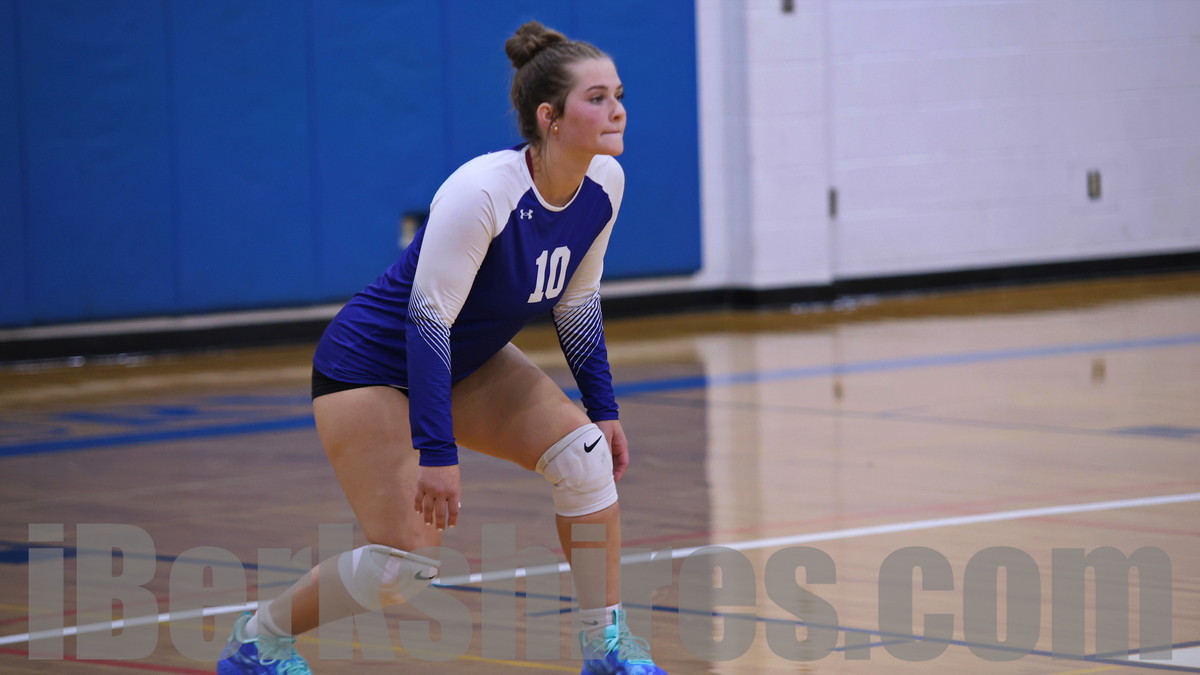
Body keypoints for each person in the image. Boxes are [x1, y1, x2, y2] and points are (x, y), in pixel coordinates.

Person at [216, 20, 668, 675]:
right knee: (403, 567)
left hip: (465, 360)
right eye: (596, 98)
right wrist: (437, 450)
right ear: (549, 117)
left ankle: (606, 651)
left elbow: (577, 302)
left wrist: (604, 410)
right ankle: (258, 642)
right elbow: (426, 323)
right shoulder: (481, 191)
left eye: (618, 94)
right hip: (370, 368)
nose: (617, 109)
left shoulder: (605, 184)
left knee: (585, 459)